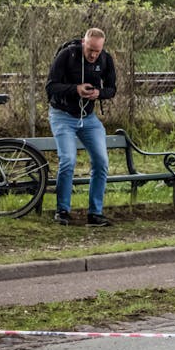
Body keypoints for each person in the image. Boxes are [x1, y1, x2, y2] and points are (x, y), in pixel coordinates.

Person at [45, 27, 117, 227]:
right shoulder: (67, 55)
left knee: (101, 161)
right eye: (90, 50)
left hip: (89, 118)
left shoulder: (105, 59)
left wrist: (99, 94)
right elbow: (50, 87)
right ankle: (62, 210)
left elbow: (112, 89)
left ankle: (95, 213)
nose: (93, 55)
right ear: (84, 43)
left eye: (97, 51)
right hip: (62, 116)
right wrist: (75, 89)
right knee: (68, 160)